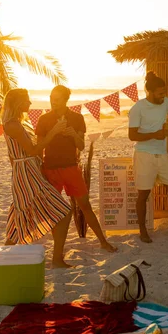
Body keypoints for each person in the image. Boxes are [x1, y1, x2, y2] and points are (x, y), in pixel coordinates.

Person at [36, 85, 117, 253]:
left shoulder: (77, 118)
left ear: (65, 100)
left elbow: (81, 146)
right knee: (55, 209)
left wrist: (73, 134)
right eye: (51, 98)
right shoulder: (44, 119)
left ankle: (102, 241)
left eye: (57, 99)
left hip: (71, 168)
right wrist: (54, 131)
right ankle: (58, 250)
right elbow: (39, 147)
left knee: (85, 205)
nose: (53, 102)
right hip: (50, 169)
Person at [1, 88, 72, 268]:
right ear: (18, 103)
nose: (30, 103)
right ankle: (56, 260)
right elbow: (32, 150)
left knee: (22, 213)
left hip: (28, 171)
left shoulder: (18, 123)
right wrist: (54, 131)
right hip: (26, 173)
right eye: (27, 100)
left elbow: (18, 156)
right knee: (63, 211)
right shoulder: (12, 125)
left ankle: (3, 256)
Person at [128, 71, 168, 243]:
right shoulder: (138, 108)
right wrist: (155, 134)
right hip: (144, 154)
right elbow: (132, 135)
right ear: (150, 92)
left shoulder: (166, 103)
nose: (164, 95)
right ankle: (143, 231)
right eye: (161, 93)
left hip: (162, 154)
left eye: (165, 92)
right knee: (144, 195)